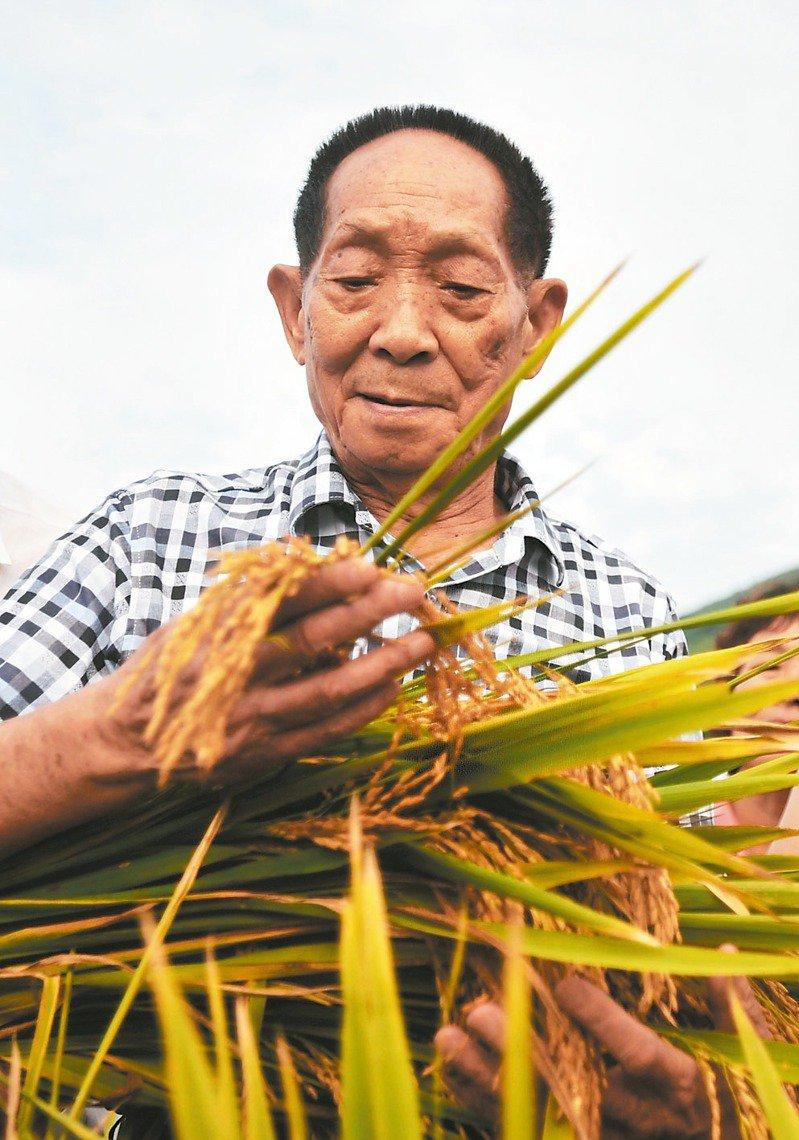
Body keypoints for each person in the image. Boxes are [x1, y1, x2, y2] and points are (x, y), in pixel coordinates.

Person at [0, 105, 770, 1135]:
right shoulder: (152, 539)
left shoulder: (625, 618)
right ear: (295, 310)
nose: (402, 333)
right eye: (356, 281)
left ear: (536, 324)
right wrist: (123, 733)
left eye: (457, 290)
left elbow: (682, 989)